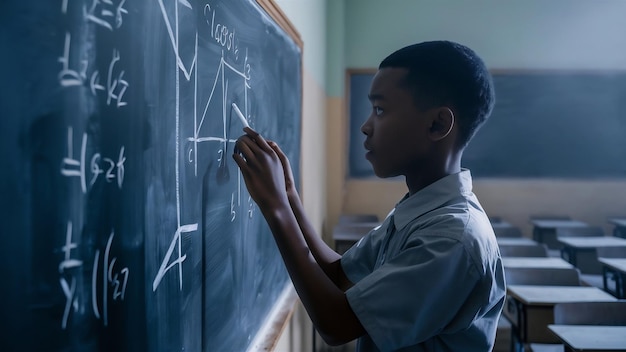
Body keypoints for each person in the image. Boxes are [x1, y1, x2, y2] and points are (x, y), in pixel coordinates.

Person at [233, 40, 506, 351]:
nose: (365, 126)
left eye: (380, 109)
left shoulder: (451, 240)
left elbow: (336, 323)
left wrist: (276, 207)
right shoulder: (420, 209)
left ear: (437, 123)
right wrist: (290, 196)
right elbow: (338, 274)